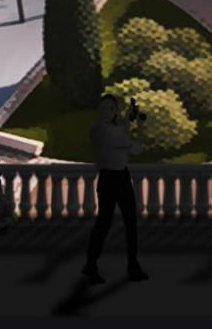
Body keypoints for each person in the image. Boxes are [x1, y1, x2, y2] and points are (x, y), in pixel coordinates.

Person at [83, 94, 148, 283]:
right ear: (99, 110)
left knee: (127, 223)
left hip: (119, 177)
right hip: (111, 179)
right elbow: (136, 148)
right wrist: (138, 124)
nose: (107, 112)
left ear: (115, 110)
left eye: (110, 108)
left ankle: (129, 265)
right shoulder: (100, 131)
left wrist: (129, 120)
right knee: (106, 223)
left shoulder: (103, 129)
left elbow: (123, 136)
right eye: (104, 108)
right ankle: (93, 264)